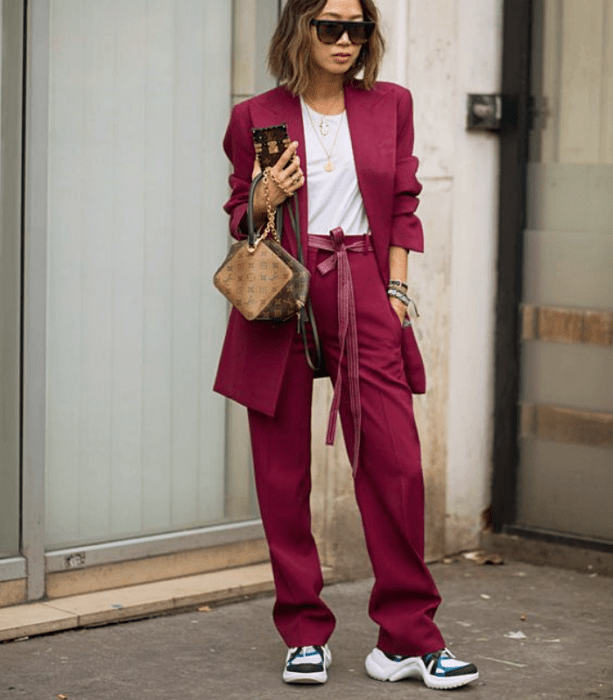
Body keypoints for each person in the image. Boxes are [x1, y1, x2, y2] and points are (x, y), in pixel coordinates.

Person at [214, 0, 479, 690]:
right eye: (328, 25)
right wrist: (265, 197)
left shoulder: (389, 104)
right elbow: (240, 213)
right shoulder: (256, 116)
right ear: (299, 29)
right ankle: (303, 632)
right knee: (281, 476)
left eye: (356, 27)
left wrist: (394, 292)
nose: (343, 39)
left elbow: (401, 206)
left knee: (396, 466)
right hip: (281, 295)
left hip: (362, 285)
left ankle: (406, 639)